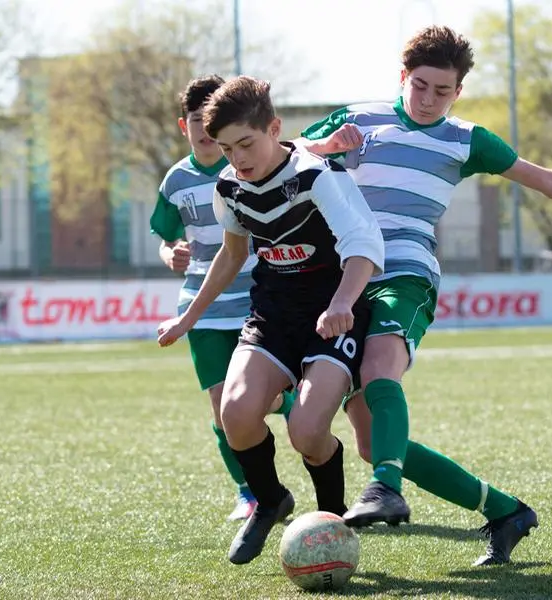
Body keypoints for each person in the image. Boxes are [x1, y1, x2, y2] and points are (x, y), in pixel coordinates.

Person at [297, 25, 552, 565]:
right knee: (372, 440)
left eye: (443, 91)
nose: (430, 100)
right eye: (421, 86)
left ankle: (384, 489)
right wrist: (324, 147)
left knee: (381, 370)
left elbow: (551, 181)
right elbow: (285, 159)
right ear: (402, 77)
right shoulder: (357, 118)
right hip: (339, 281)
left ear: (459, 92)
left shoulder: (466, 139)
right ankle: (504, 511)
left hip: (406, 273)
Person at [156, 76, 385, 566]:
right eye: (225, 148)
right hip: (273, 314)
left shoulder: (316, 175)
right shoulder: (229, 188)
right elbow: (231, 254)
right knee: (234, 415)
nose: (237, 158)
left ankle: (332, 518)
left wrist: (343, 302)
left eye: (246, 143)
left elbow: (363, 245)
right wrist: (186, 317)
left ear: (274, 128)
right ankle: (270, 500)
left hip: (334, 315)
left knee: (306, 430)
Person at [149, 75, 293, 523]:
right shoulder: (176, 181)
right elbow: (164, 236)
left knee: (260, 399)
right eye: (196, 119)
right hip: (205, 307)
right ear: (185, 124)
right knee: (220, 406)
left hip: (257, 300)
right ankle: (249, 492)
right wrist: (169, 252)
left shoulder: (249, 167)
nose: (205, 129)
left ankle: (286, 403)